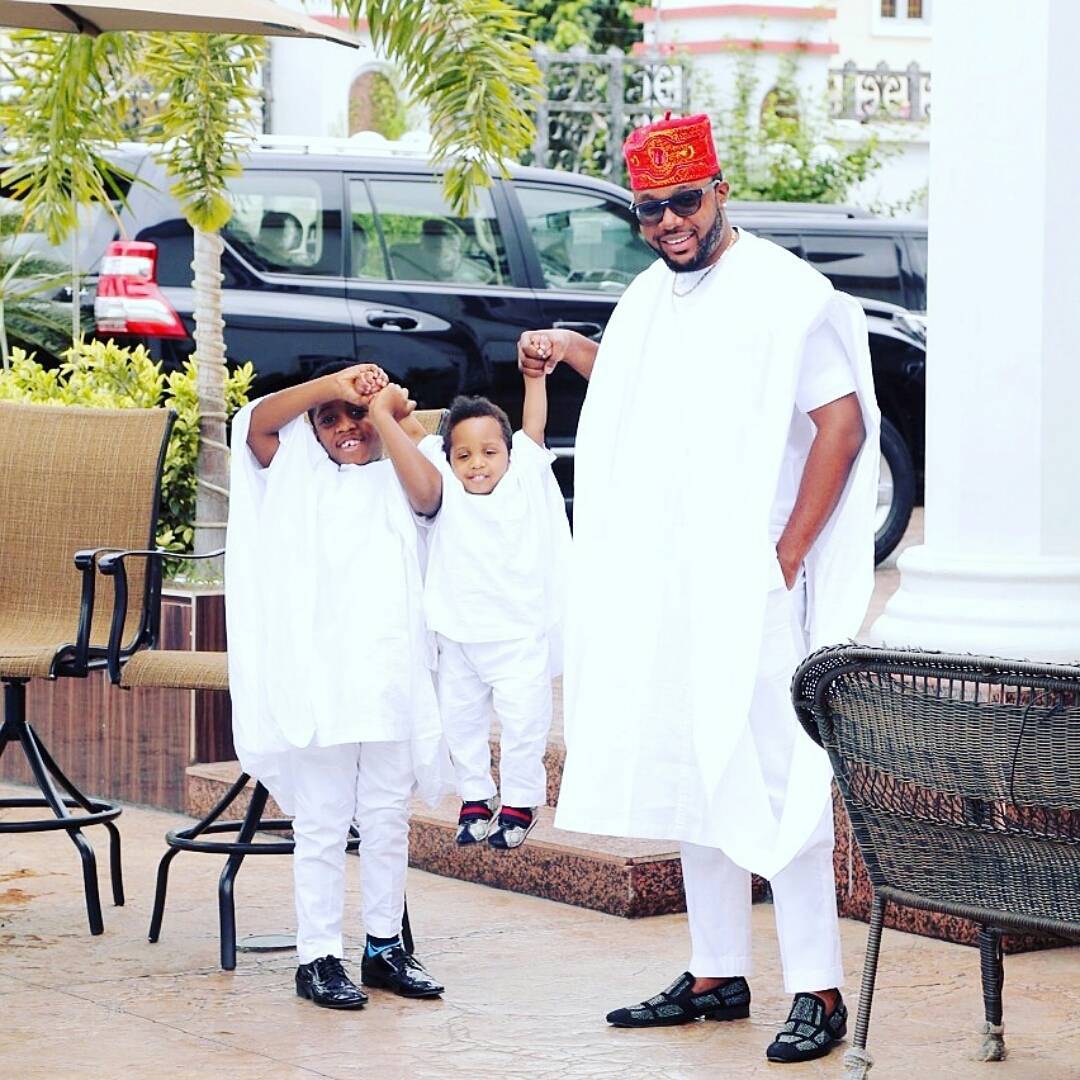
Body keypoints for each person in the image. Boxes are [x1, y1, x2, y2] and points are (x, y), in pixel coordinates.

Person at [518, 113, 880, 1064]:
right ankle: (717, 970)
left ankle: (819, 988)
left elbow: (840, 427)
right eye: (650, 209)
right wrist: (569, 346)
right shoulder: (649, 294)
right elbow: (648, 388)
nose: (670, 222)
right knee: (694, 762)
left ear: (721, 190)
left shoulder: (783, 292)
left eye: (685, 201)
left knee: (772, 772)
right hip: (669, 582)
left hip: (751, 582)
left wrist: (787, 555)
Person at [225, 361, 450, 1010]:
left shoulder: (403, 465)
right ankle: (317, 956)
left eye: (358, 417)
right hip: (320, 684)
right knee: (323, 822)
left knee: (386, 817)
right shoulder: (292, 472)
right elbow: (257, 422)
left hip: (389, 678)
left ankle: (384, 948)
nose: (347, 427)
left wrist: (384, 412)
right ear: (312, 431)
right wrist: (333, 388)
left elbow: (431, 498)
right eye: (332, 420)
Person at [417, 370, 571, 849]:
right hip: (458, 635)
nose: (477, 464)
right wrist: (387, 402)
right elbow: (413, 435)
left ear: (508, 453)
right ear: (449, 460)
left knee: (525, 725)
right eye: (463, 455)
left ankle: (520, 803)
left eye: (489, 452)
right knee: (460, 723)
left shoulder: (523, 475)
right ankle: (476, 797)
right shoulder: (443, 481)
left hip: (519, 634)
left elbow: (535, 427)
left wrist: (534, 379)